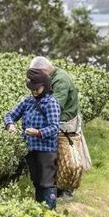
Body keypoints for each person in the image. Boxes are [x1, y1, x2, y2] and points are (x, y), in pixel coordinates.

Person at [28, 56, 91, 199]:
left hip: (65, 124)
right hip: (59, 122)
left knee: (65, 159)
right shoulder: (52, 77)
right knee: (55, 158)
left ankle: (65, 190)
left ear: (44, 70)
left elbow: (55, 106)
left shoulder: (60, 80)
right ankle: (54, 189)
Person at [3, 68, 61, 210]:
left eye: (37, 89)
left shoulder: (50, 103)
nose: (34, 91)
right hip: (30, 148)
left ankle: (50, 213)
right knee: (37, 182)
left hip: (46, 150)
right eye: (33, 89)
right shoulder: (28, 101)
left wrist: (38, 132)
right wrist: (10, 125)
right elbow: (9, 115)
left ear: (45, 86)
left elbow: (55, 127)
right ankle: (39, 214)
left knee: (47, 183)